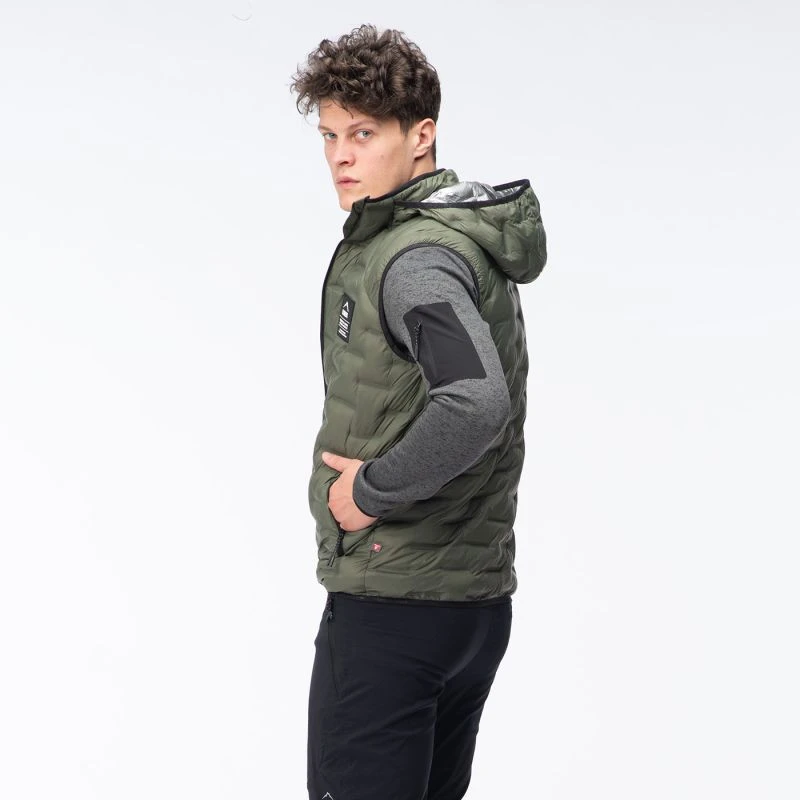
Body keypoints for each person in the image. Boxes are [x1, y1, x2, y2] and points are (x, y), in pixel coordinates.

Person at [290, 24, 547, 800]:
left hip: (394, 606)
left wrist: (367, 494)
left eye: (363, 133)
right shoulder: (453, 239)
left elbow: (475, 402)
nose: (340, 156)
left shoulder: (415, 260)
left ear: (421, 135)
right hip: (468, 606)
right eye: (330, 135)